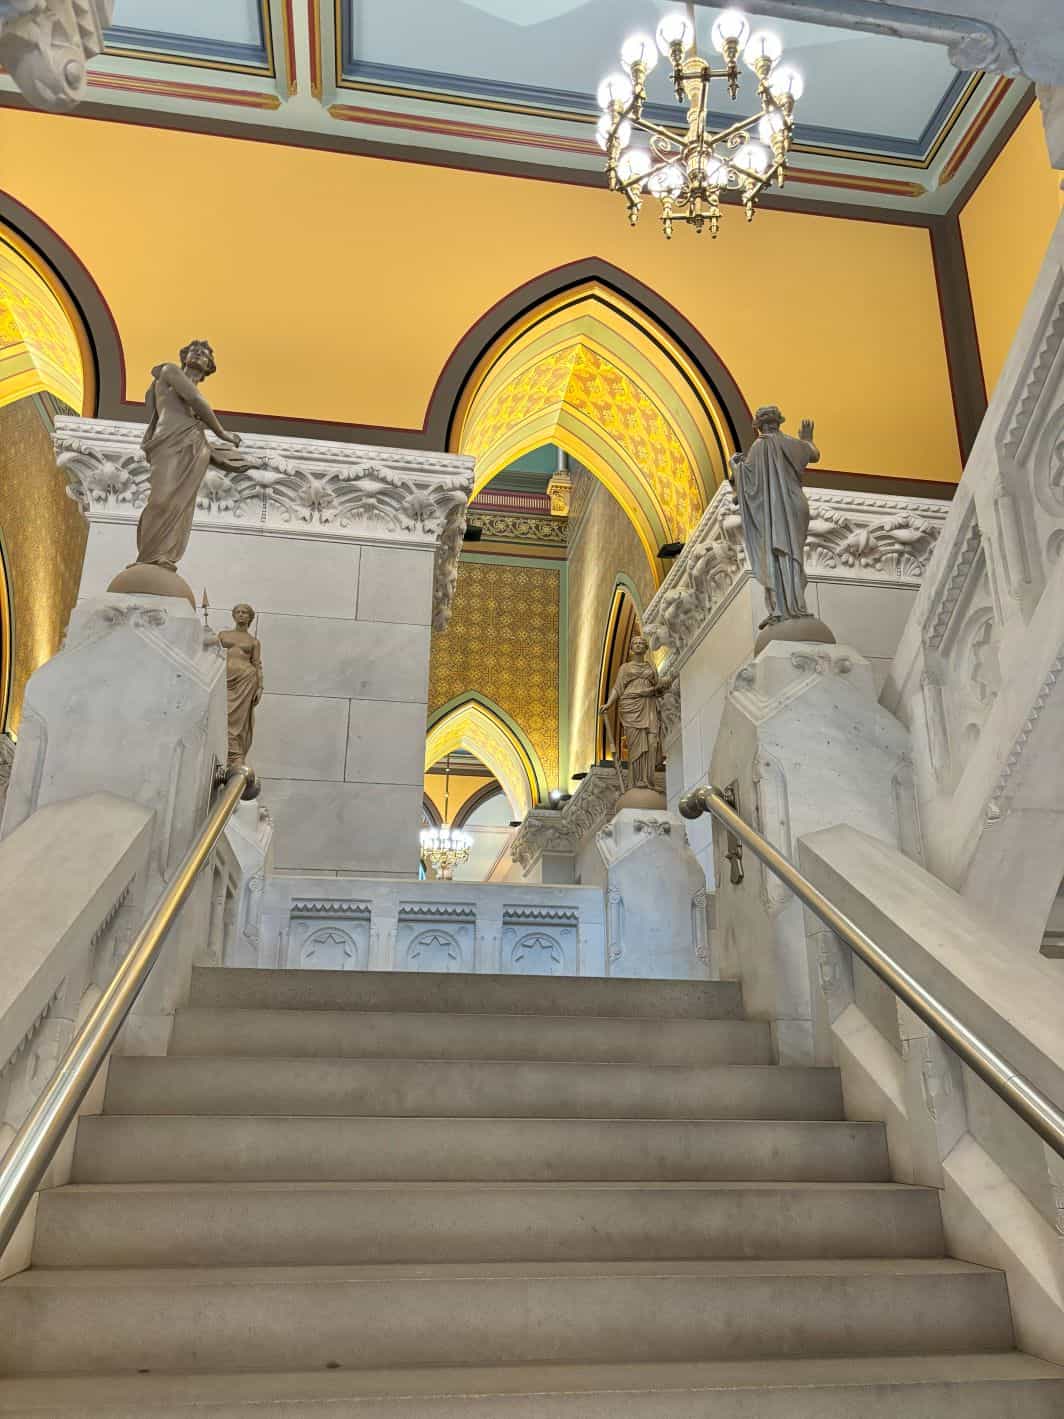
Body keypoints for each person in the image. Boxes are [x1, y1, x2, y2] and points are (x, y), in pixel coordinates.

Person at [135, 340, 242, 571]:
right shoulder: (169, 371)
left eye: (204, 354)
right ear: (184, 356)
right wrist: (222, 433)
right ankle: (147, 557)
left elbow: (196, 412)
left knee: (181, 505)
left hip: (195, 446)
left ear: (209, 367)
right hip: (168, 440)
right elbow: (195, 400)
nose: (198, 354)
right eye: (194, 350)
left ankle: (165, 557)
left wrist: (221, 456)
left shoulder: (195, 405)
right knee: (160, 500)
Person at [729, 405, 819, 627]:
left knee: (776, 554)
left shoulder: (760, 446)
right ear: (779, 422)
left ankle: (782, 609)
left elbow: (745, 489)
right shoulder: (792, 443)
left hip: (776, 509)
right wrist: (807, 440)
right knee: (793, 554)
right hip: (797, 505)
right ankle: (796, 606)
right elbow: (814, 455)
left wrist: (735, 466)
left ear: (759, 425)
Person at [599, 635, 672, 790]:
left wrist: (662, 686)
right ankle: (637, 781)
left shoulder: (650, 666)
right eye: (635, 643)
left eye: (641, 643)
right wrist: (609, 704)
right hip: (631, 705)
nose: (638, 645)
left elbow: (657, 687)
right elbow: (617, 688)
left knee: (652, 742)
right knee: (636, 745)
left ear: (646, 648)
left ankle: (649, 781)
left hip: (649, 704)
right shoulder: (625, 668)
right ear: (631, 648)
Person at [218, 603, 262, 767]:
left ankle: (235, 754)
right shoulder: (223, 635)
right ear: (234, 615)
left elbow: (257, 664)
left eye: (245, 612)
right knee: (222, 714)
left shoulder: (253, 641)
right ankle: (222, 750)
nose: (241, 614)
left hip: (246, 682)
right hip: (223, 680)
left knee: (238, 719)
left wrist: (260, 687)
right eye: (238, 612)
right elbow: (210, 650)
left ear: (250, 617)